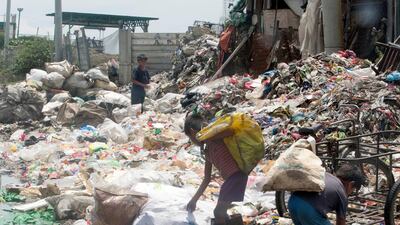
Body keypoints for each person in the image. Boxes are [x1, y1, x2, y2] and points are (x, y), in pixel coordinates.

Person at [184, 113, 247, 225]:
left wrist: (209, 133)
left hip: (236, 177)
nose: (192, 142)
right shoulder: (207, 151)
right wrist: (194, 200)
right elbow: (207, 178)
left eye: (190, 138)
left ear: (192, 132)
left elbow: (231, 131)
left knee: (218, 212)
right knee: (222, 213)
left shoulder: (215, 138)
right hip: (233, 180)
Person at [288, 164, 366, 225]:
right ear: (351, 184)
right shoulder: (342, 193)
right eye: (353, 189)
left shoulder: (325, 174)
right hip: (308, 211)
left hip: (293, 202)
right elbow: (341, 222)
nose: (351, 192)